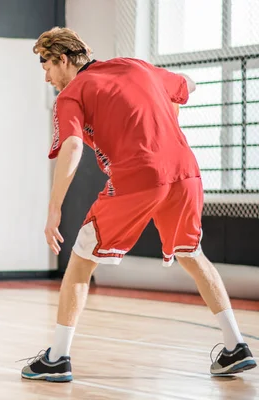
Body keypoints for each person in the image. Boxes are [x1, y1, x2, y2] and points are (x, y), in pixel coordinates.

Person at [20, 27, 256, 382]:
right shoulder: (135, 66)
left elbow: (72, 147)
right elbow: (188, 84)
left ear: (63, 61)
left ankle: (57, 357)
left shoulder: (71, 94)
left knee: (81, 261)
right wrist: (164, 114)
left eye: (47, 69)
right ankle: (235, 345)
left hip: (139, 175)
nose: (48, 78)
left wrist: (54, 209)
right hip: (185, 172)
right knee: (192, 254)